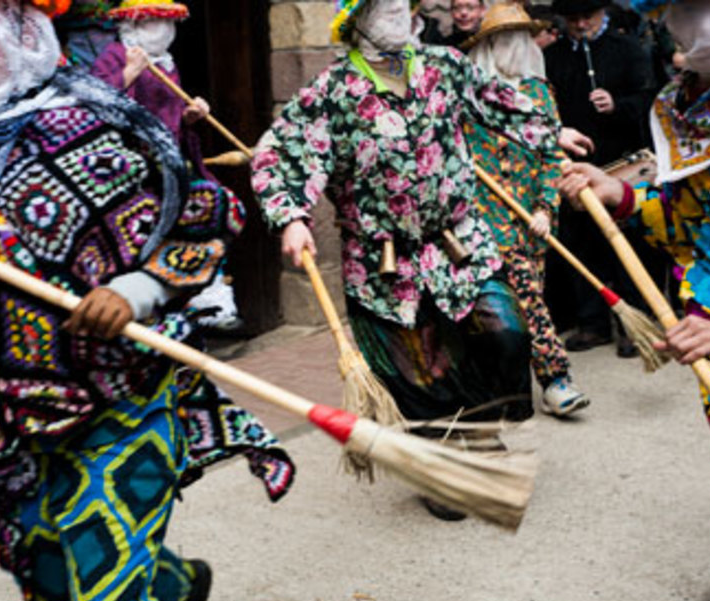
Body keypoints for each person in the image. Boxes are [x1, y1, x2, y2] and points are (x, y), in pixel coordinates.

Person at [0, 0, 293, 601]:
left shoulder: (108, 126)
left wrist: (135, 291)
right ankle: (173, 589)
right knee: (50, 580)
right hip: (13, 416)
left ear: (29, 33)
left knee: (105, 599)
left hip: (123, 399)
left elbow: (206, 215)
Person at [254, 0, 560, 519]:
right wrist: (291, 216)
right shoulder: (332, 90)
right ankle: (439, 459)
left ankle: (482, 427)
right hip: (383, 264)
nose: (398, 8)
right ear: (357, 20)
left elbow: (504, 104)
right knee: (420, 372)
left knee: (506, 331)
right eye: (383, 3)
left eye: (404, 2)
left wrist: (551, 134)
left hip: (458, 245)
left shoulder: (446, 66)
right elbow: (279, 155)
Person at [557, 0, 710, 589]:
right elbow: (692, 224)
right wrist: (621, 196)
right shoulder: (685, 102)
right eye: (679, 8)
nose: (690, 21)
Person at [463, 2, 590, 416]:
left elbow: (551, 158)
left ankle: (538, 384)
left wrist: (545, 208)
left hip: (527, 223)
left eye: (517, 38)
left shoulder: (538, 94)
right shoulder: (469, 97)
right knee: (505, 304)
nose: (510, 47)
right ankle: (539, 382)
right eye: (500, 40)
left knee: (528, 301)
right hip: (481, 220)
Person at [90, 0, 243, 332]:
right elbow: (94, 107)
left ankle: (203, 293)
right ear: (132, 24)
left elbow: (171, 119)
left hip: (171, 164)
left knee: (214, 208)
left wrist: (189, 119)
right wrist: (129, 72)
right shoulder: (116, 56)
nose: (163, 31)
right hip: (130, 170)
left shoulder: (167, 63)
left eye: (168, 23)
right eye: (153, 23)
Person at [543, 0, 658, 356]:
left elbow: (650, 97)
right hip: (577, 162)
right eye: (573, 17)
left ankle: (634, 323)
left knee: (629, 245)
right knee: (583, 244)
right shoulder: (555, 55)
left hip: (620, 160)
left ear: (602, 14)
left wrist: (617, 104)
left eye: (587, 17)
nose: (580, 24)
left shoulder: (628, 49)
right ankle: (593, 323)